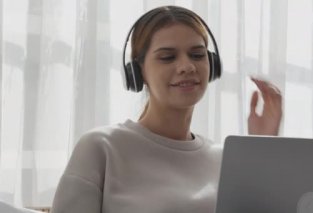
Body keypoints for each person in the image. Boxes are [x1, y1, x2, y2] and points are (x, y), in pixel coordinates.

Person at [51, 5, 282, 213]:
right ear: (138, 72)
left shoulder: (224, 158)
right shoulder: (101, 147)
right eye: (168, 57)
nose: (187, 66)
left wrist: (262, 146)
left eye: (197, 55)